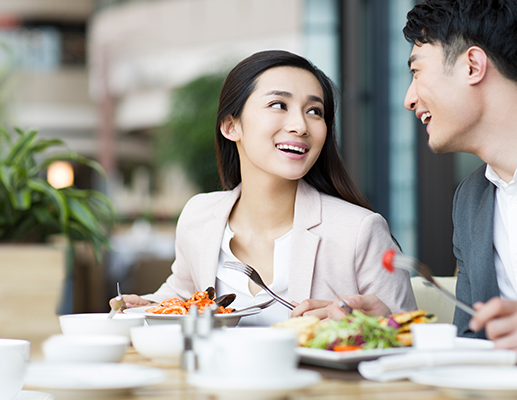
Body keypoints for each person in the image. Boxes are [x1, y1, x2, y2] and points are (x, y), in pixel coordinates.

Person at [328, 0, 517, 366]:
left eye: (416, 72)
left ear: (472, 65)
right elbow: (472, 341)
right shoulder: (470, 200)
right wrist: (393, 333)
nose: (409, 99)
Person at [110, 50, 416, 326]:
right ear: (231, 126)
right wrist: (148, 305)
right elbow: (182, 293)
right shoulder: (199, 215)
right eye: (278, 105)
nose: (300, 125)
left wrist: (376, 323)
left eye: (314, 111)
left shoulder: (359, 230)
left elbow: (410, 334)